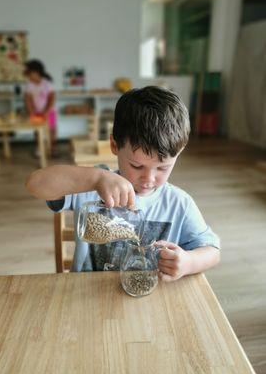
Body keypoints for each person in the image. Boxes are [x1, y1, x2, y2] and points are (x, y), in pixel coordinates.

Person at [26, 86, 220, 280]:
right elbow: (35, 184)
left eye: (162, 168)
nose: (149, 179)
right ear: (114, 146)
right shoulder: (90, 187)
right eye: (137, 166)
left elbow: (212, 251)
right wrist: (95, 178)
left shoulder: (178, 204)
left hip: (151, 298)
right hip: (87, 295)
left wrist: (188, 262)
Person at [23, 59, 58, 157]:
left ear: (36, 72)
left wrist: (47, 111)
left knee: (51, 129)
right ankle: (39, 148)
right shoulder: (29, 86)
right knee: (37, 130)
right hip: (36, 112)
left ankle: (52, 148)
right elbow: (28, 100)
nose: (28, 76)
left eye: (29, 73)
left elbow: (52, 98)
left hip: (50, 112)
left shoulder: (47, 83)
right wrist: (31, 112)